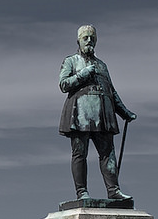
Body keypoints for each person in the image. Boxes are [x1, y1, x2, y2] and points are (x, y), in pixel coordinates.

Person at [58, 24, 136, 201]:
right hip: (80, 115)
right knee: (80, 154)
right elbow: (63, 84)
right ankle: (82, 192)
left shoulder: (102, 65)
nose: (89, 41)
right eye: (85, 38)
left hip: (102, 116)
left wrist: (124, 112)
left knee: (108, 153)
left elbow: (111, 91)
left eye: (92, 38)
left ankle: (113, 190)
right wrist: (83, 74)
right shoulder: (71, 61)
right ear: (78, 40)